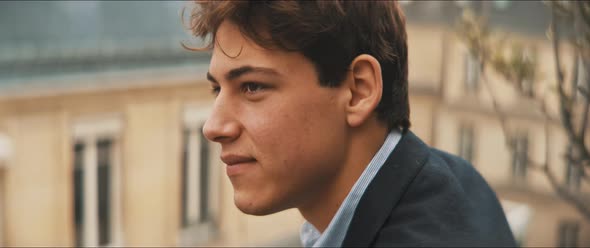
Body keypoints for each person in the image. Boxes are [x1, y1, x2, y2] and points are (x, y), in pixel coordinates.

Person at [187, 1, 517, 247]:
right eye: (217, 89)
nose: (213, 127)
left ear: (359, 91)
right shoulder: (458, 179)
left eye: (252, 86)